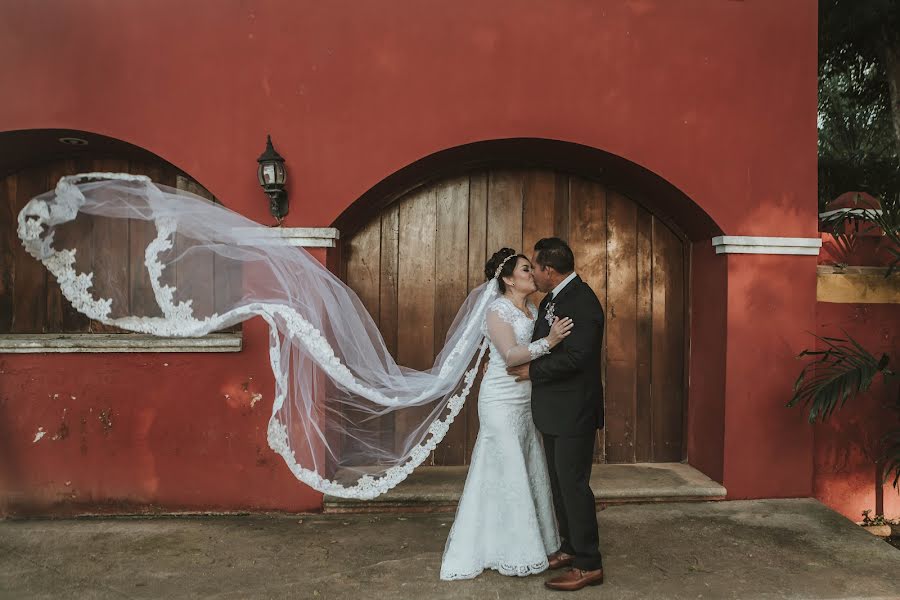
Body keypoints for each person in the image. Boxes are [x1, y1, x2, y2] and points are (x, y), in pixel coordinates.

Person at [440, 248, 573, 580]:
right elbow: (512, 355)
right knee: (504, 465)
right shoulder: (497, 311)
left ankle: (536, 540)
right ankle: (505, 548)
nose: (533, 274)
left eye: (531, 268)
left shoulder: (531, 309)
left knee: (527, 463)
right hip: (500, 398)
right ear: (508, 279)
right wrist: (551, 342)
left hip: (527, 398)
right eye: (526, 269)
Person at [507, 237, 606, 591]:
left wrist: (532, 372)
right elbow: (547, 343)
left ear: (549, 270)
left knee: (574, 486)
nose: (532, 271)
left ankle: (589, 564)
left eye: (534, 266)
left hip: (574, 411)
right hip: (554, 410)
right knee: (560, 486)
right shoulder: (553, 298)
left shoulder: (582, 301)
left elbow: (579, 357)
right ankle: (569, 548)